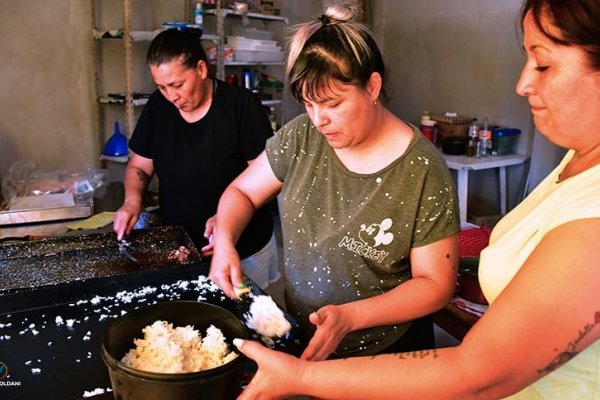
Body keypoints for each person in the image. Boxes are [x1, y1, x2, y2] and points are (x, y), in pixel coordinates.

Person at [230, 0, 600, 398]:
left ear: (371, 88)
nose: (522, 84)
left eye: (542, 64)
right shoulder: (577, 160)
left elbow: (478, 371)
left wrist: (301, 378)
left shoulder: (421, 168)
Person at [209, 2, 460, 361]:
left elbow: (436, 284)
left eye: (332, 104)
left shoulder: (421, 169)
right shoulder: (299, 139)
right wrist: (225, 243)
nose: (318, 120)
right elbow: (242, 192)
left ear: (372, 86)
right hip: (306, 341)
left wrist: (351, 317)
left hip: (387, 352)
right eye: (309, 105)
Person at [112, 28, 280, 290]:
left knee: (245, 323)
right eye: (162, 87)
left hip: (244, 247)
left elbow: (267, 182)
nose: (171, 96)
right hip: (182, 247)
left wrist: (226, 220)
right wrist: (132, 201)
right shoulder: (159, 107)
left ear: (201, 69)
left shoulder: (240, 106)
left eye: (178, 85)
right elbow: (139, 165)